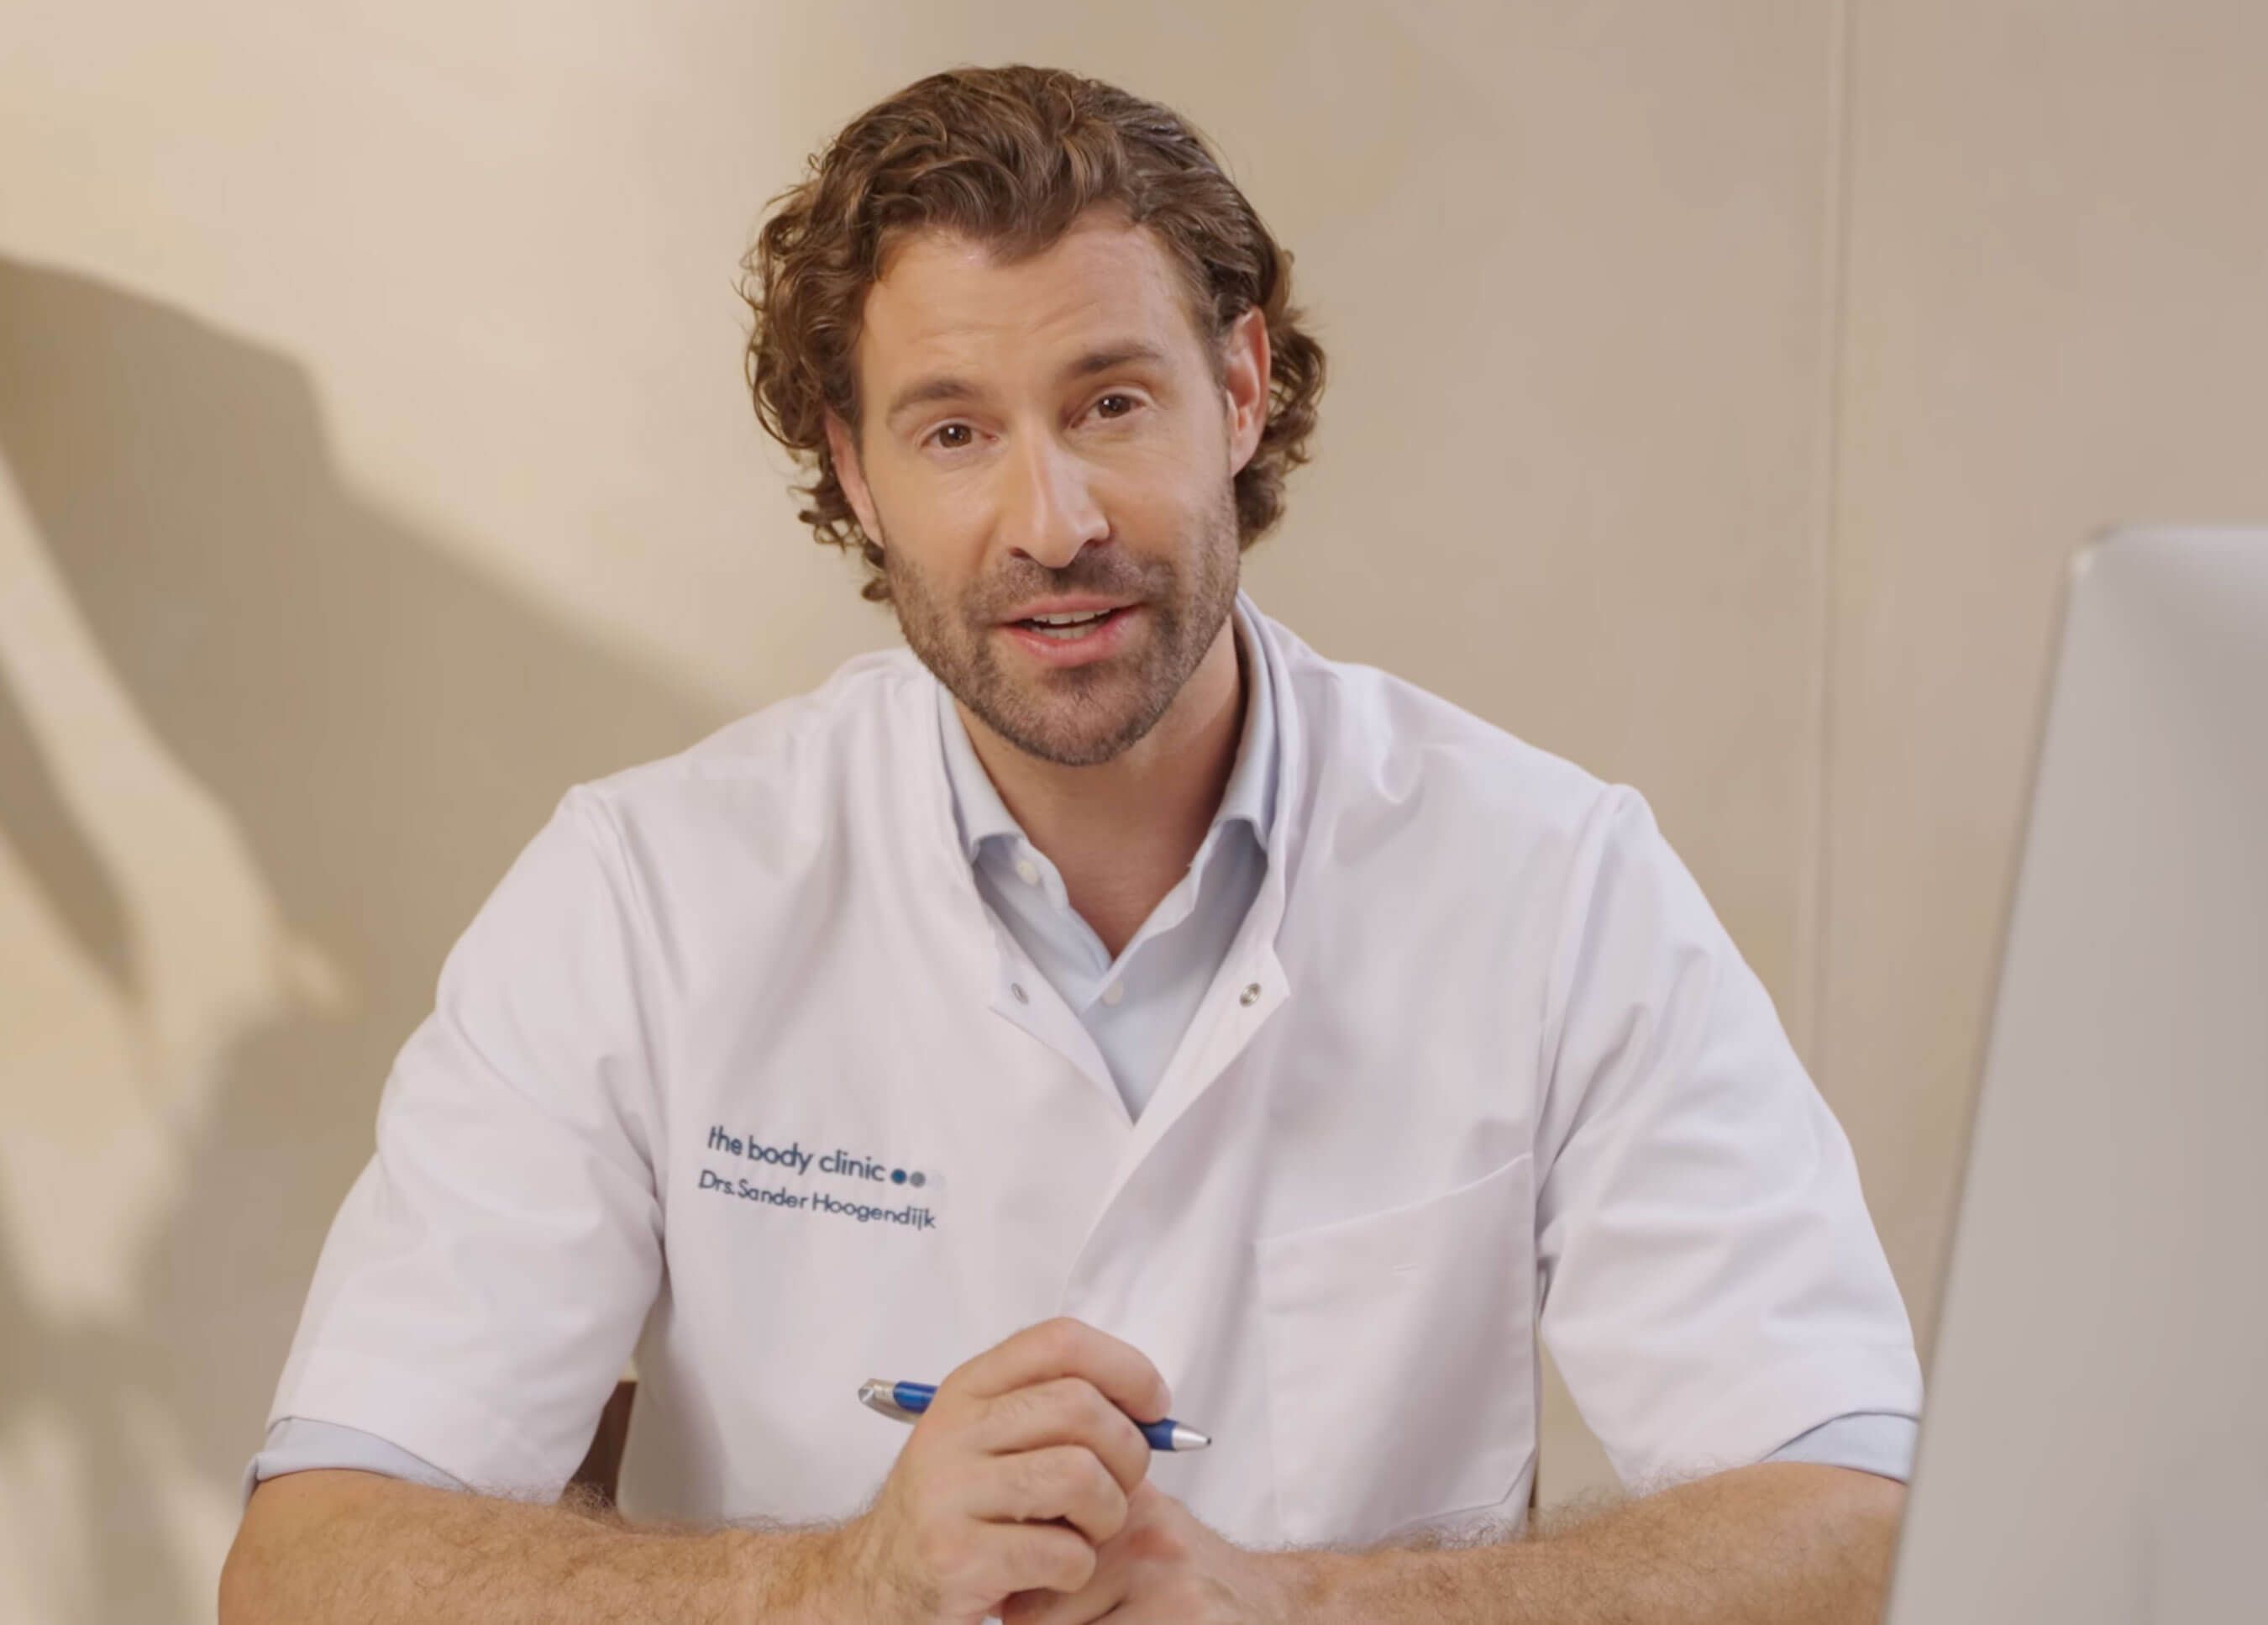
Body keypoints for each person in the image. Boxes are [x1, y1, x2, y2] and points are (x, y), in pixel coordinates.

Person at [219, 62, 1922, 1625]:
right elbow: (310, 1566)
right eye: (954, 430)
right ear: (856, 473)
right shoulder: (642, 897)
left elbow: (1867, 1525)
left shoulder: (1552, 884)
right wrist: (841, 1586)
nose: (1054, 524)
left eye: (1112, 403)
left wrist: (1300, 1607)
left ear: (1239, 390)